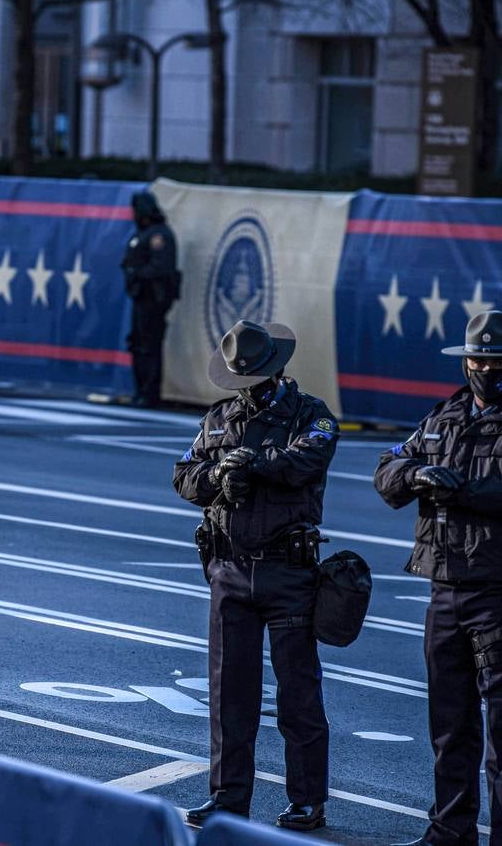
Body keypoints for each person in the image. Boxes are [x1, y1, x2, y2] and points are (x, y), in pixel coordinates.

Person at [374, 310, 502, 846]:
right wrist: (417, 473)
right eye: (478, 360)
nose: (486, 370)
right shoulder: (442, 417)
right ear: (465, 362)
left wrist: (460, 489)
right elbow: (386, 471)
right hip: (444, 592)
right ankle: (450, 831)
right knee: (449, 725)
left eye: (497, 361)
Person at [172, 319, 337, 832]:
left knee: (297, 694)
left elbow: (308, 460)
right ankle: (227, 798)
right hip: (230, 569)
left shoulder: (310, 414)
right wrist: (219, 475)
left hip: (287, 570)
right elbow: (183, 475)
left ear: (277, 369)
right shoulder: (219, 418)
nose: (249, 388)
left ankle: (307, 800)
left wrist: (253, 465)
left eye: (256, 379)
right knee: (229, 695)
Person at [120, 190, 179, 408]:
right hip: (140, 297)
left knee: (150, 345)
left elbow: (161, 267)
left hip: (153, 297)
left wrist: (138, 274)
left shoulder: (159, 235)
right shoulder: (142, 234)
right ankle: (140, 390)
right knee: (137, 343)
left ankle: (150, 393)